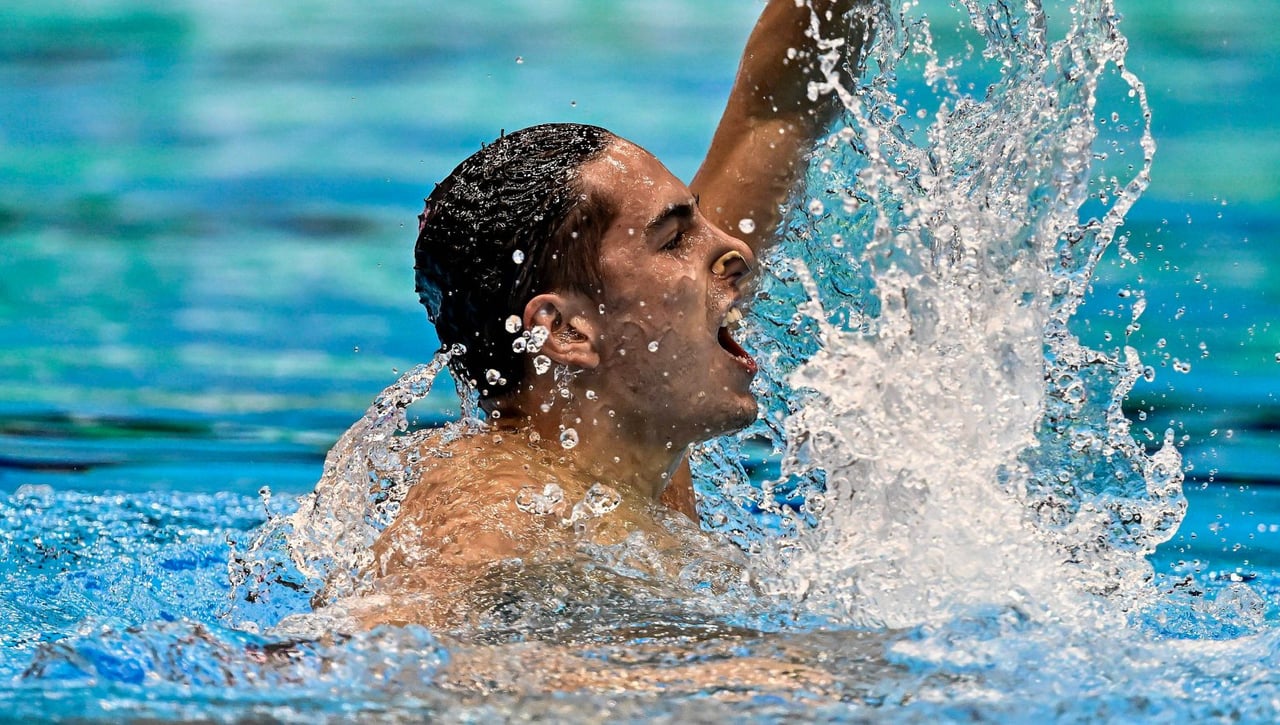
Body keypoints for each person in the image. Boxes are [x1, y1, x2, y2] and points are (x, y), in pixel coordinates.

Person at [352, 0, 871, 630]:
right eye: (674, 240)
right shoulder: (501, 511)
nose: (735, 248)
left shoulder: (627, 440)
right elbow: (363, 649)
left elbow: (779, 110)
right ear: (567, 330)